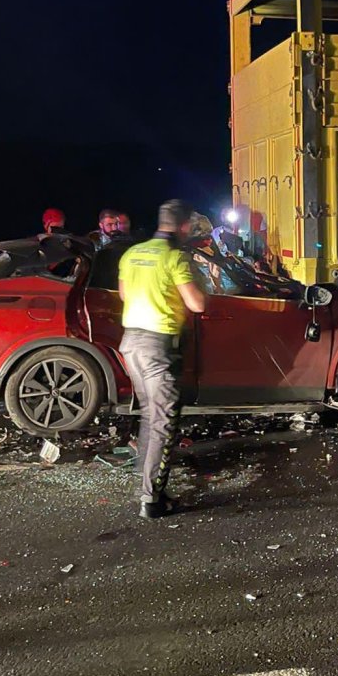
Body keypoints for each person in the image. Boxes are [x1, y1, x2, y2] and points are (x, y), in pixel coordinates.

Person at [118, 199, 206, 518]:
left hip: (131, 343)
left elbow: (125, 295)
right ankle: (152, 500)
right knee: (163, 423)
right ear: (183, 226)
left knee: (150, 416)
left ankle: (146, 484)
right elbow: (197, 304)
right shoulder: (175, 257)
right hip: (158, 346)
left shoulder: (132, 254)